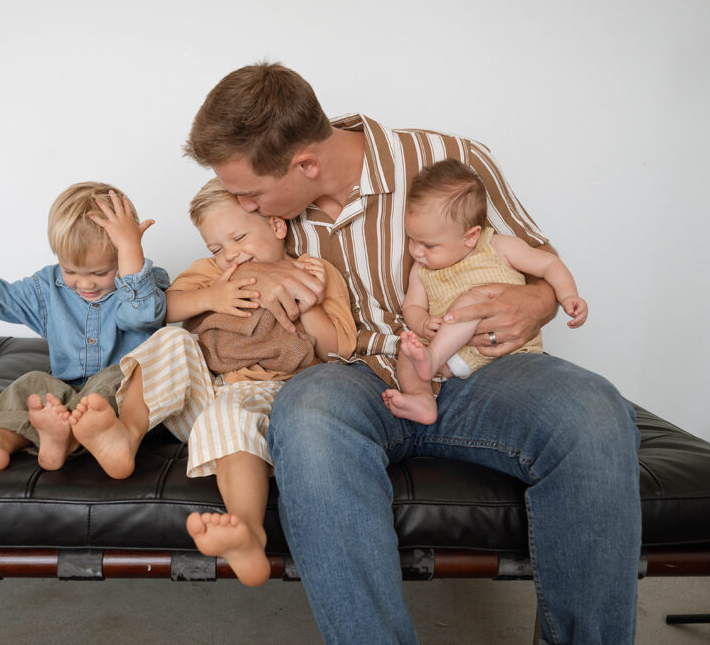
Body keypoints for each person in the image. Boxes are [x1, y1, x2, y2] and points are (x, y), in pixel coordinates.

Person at [183, 62, 641, 644]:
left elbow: (540, 267)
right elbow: (205, 287)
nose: (242, 205)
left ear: (305, 164)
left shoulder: (448, 159)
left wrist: (541, 301)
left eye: (251, 193)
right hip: (351, 377)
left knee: (594, 413)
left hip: (479, 368)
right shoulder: (255, 223)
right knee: (306, 417)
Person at [67, 178, 356, 586]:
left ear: (277, 226)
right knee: (172, 339)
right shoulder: (210, 274)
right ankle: (125, 436)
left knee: (230, 413)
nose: (230, 254)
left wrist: (307, 305)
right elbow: (163, 310)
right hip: (203, 393)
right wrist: (212, 296)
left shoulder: (314, 272)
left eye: (239, 238)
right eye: (217, 248)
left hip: (271, 397)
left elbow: (339, 349)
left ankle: (249, 534)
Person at [0, 182, 169, 473]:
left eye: (101, 272)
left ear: (122, 255)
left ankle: (69, 439)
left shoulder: (145, 283)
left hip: (117, 401)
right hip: (65, 393)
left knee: (117, 381)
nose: (85, 284)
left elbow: (141, 317)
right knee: (30, 385)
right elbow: (2, 299)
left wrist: (131, 248)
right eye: (70, 271)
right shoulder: (46, 290)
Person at [382, 158, 589, 425]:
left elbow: (549, 264)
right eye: (412, 239)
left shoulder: (499, 247)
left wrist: (568, 295)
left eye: (429, 245)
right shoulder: (422, 269)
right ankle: (422, 400)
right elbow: (412, 306)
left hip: (508, 350)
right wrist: (422, 325)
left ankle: (431, 360)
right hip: (451, 358)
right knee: (407, 353)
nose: (417, 251)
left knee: (472, 301)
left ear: (470, 236)